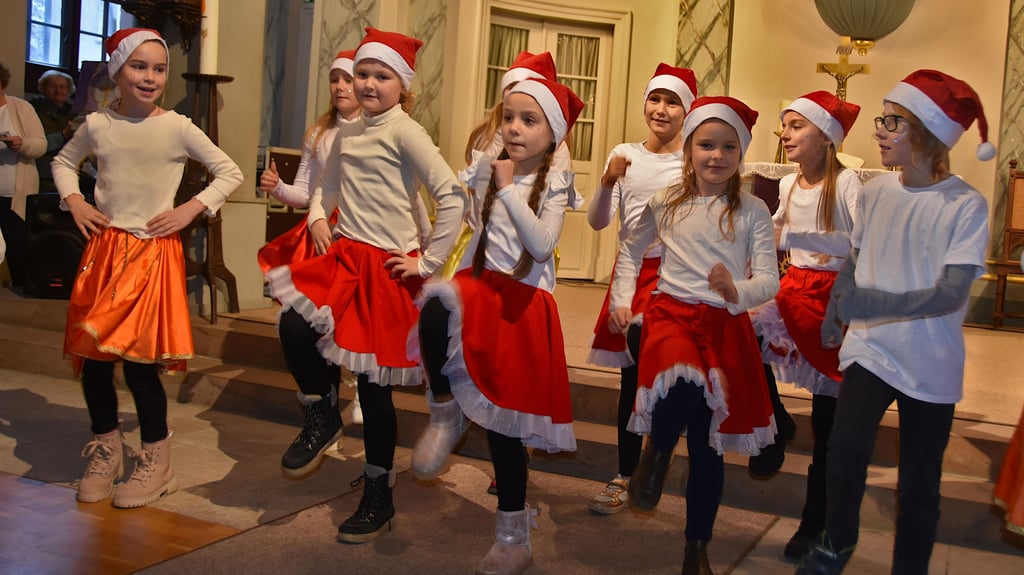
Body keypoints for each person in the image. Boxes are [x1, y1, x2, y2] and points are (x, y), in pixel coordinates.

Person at [264, 27, 467, 542]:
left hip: (385, 272)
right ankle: (322, 412)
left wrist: (427, 262)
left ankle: (379, 493)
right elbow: (327, 184)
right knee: (292, 325)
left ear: (403, 86)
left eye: (382, 76)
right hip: (345, 257)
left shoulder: (407, 132)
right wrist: (318, 217)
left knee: (376, 393)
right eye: (363, 74)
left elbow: (451, 196)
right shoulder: (345, 132)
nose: (369, 83)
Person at [797, 70, 993, 575]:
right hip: (871, 349)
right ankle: (836, 544)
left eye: (892, 122)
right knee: (843, 451)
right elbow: (855, 259)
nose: (879, 130)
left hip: (929, 361)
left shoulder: (965, 205)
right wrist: (838, 310)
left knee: (919, 484)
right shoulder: (878, 190)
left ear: (926, 134)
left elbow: (950, 294)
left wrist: (870, 305)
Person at [51, 28, 243, 508]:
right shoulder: (97, 125)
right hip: (104, 255)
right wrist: (73, 198)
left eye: (159, 68)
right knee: (94, 365)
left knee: (140, 369)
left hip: (150, 254)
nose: (151, 76)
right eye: (139, 66)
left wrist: (188, 210)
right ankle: (108, 450)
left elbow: (230, 172)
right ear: (117, 72)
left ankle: (158, 463)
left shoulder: (177, 126)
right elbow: (62, 162)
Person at [411, 77, 584, 575]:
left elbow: (542, 245)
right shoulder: (487, 170)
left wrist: (508, 190)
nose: (514, 128)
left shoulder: (553, 183)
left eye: (529, 121)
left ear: (552, 134)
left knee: (506, 428)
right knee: (435, 307)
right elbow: (467, 225)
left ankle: (513, 536)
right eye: (508, 117)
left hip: (523, 306)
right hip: (480, 290)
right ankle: (444, 412)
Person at [614, 96, 779, 575]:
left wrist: (737, 289)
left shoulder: (752, 211)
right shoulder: (665, 200)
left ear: (741, 153)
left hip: (724, 324)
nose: (717, 156)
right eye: (707, 144)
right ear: (689, 148)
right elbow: (631, 248)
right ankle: (658, 451)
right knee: (682, 379)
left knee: (709, 447)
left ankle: (696, 549)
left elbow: (769, 278)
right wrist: (623, 300)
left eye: (729, 147)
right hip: (670, 315)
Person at [746, 91, 861, 558]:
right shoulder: (791, 183)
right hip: (796, 287)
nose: (785, 134)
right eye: (784, 125)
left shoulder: (848, 183)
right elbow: (772, 227)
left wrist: (788, 234)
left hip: (834, 297)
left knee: (828, 425)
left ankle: (814, 523)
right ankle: (774, 422)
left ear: (826, 137)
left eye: (796, 126)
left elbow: (856, 242)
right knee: (742, 333)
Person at [585, 62, 696, 515]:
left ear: (687, 111)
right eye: (655, 99)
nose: (662, 109)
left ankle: (658, 453)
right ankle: (625, 472)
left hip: (675, 278)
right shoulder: (625, 153)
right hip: (631, 275)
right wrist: (609, 179)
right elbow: (598, 221)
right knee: (631, 380)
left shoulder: (693, 159)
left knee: (665, 378)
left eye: (672, 102)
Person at [257, 49, 366, 426]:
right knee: (312, 327)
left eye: (348, 79)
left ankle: (359, 390)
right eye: (335, 79)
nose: (340, 86)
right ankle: (325, 407)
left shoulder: (374, 130)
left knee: (350, 323)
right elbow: (305, 192)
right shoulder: (319, 133)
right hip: (318, 236)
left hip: (356, 234)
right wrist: (277, 188)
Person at [0, 61, 47, 288]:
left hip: (14, 195)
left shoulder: (21, 108)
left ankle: (22, 289)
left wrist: (21, 144)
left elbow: (40, 145)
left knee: (17, 246)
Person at [31, 70, 78, 193]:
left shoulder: (74, 113)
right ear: (43, 89)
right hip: (44, 172)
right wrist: (63, 135)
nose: (58, 91)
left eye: (62, 87)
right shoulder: (33, 111)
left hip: (72, 169)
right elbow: (35, 146)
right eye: (52, 87)